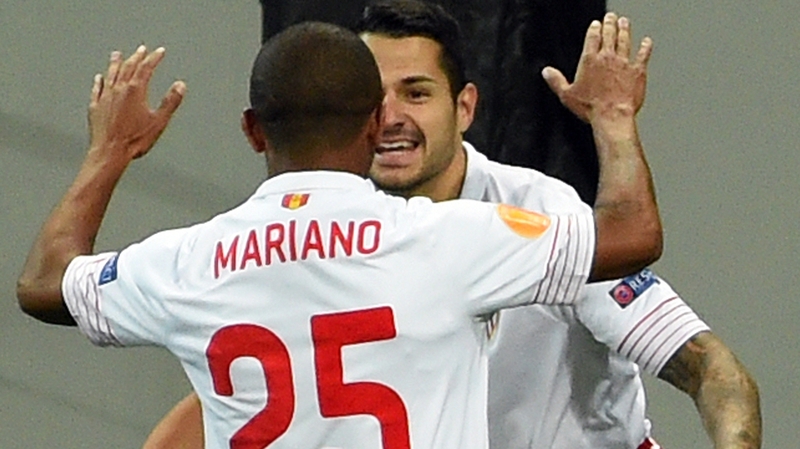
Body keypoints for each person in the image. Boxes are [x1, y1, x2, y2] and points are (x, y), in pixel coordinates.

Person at [142, 2, 760, 449]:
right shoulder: (330, 234)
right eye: (374, 96)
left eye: (416, 93)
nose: (391, 118)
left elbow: (713, 370)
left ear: (464, 107)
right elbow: (255, 385)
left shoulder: (544, 217)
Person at [17, 22, 662, 449]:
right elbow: (632, 235)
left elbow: (45, 285)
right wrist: (612, 116)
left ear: (253, 130)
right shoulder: (445, 241)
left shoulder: (189, 262)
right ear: (377, 121)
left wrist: (110, 152)